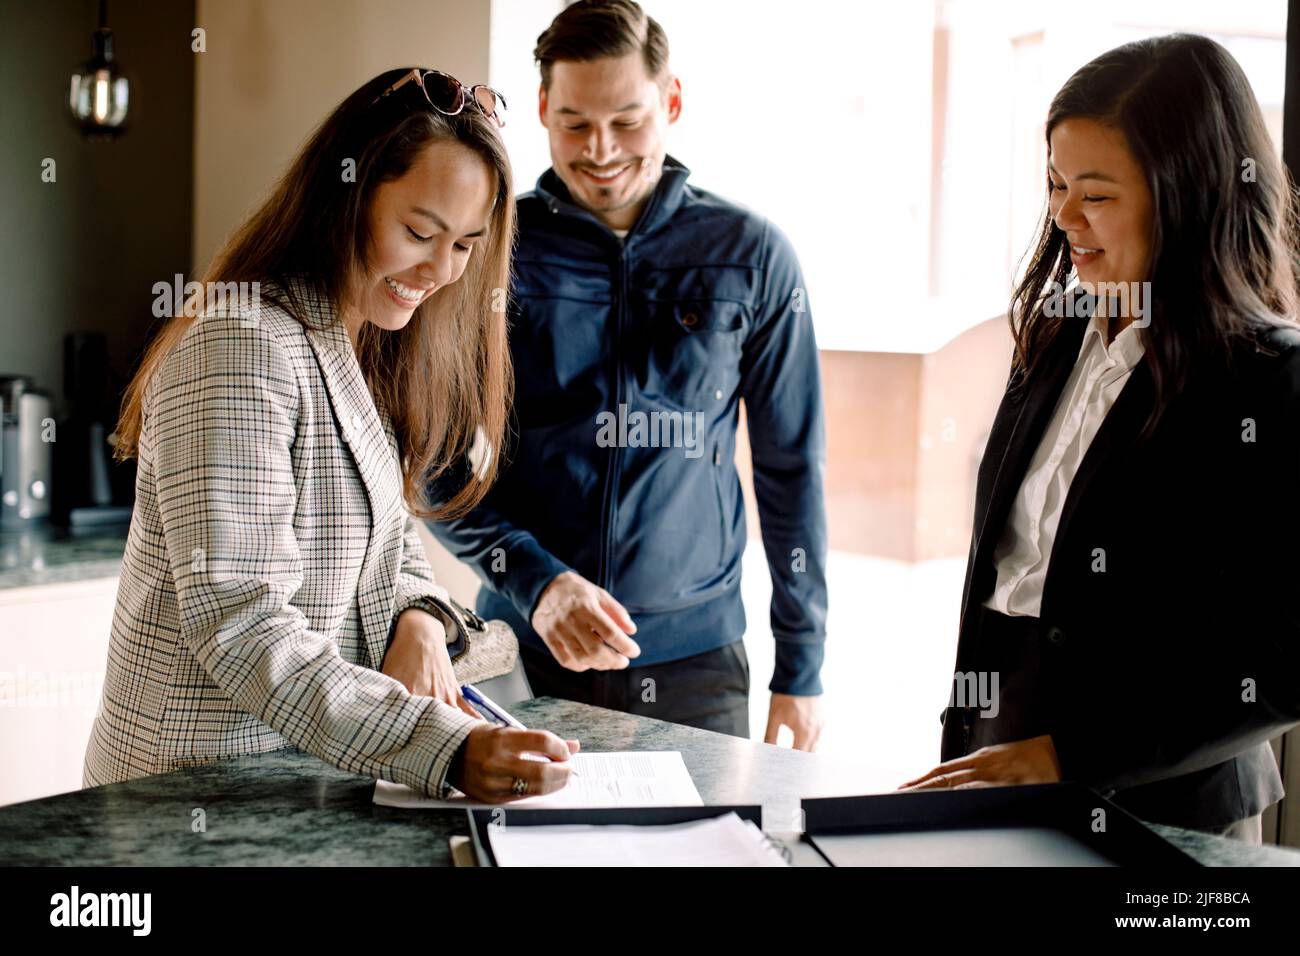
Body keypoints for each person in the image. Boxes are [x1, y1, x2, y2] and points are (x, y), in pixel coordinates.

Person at [84, 67, 577, 803]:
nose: (441, 270)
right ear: (346, 193)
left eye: (466, 244)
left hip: (294, 789)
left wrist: (418, 617)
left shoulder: (352, 345)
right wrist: (446, 749)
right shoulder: (242, 347)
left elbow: (392, 543)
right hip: (189, 797)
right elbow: (243, 626)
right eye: (420, 232)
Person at [900, 34, 1300, 841]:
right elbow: (1008, 573)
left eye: (1097, 194)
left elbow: (1283, 662)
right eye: (1054, 185)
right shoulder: (1054, 331)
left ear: (1186, 193)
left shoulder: (1269, 378)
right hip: (997, 749)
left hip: (1164, 799)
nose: (1063, 217)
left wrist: (1068, 753)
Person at [428, 0, 828, 748]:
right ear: (542, 108)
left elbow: (791, 470)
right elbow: (431, 468)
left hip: (698, 665)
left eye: (628, 120)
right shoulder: (486, 251)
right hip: (521, 652)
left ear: (671, 101)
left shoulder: (754, 254)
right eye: (575, 122)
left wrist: (801, 671)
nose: (601, 149)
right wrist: (537, 582)